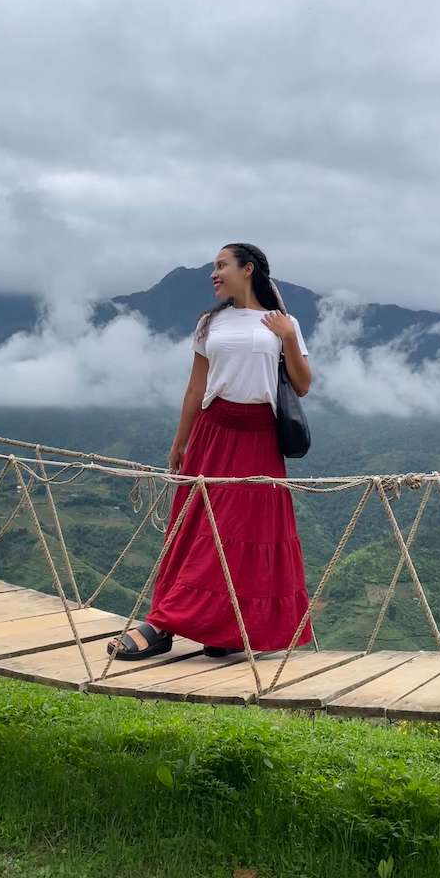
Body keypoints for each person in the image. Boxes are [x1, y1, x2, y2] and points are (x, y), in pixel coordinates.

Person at [108, 242, 313, 660]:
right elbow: (196, 387)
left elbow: (304, 385)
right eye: (213, 267)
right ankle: (163, 622)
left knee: (245, 535)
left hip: (259, 439)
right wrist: (179, 442)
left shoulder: (282, 323)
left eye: (222, 266)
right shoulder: (208, 323)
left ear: (248, 269)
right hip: (212, 433)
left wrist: (289, 337)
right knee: (196, 529)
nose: (214, 274)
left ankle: (226, 630)